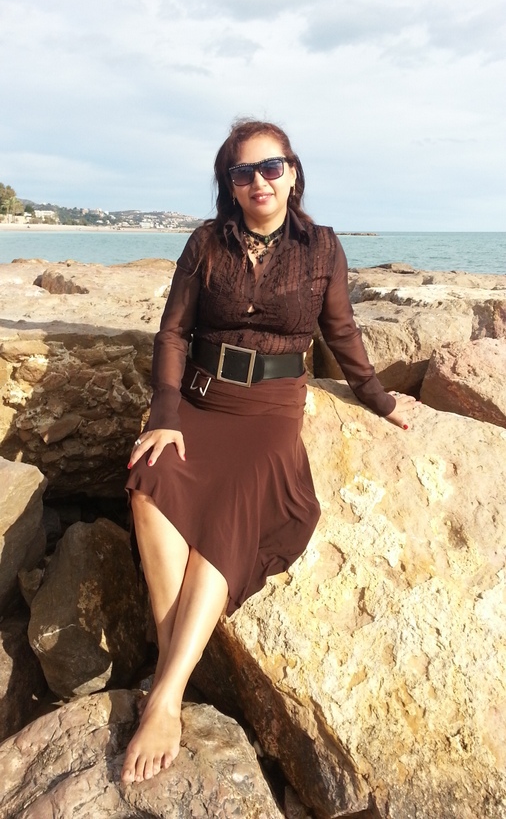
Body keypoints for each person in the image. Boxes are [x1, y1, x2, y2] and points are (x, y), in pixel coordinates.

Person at [121, 119, 417, 784]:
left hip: (269, 412)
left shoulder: (323, 248)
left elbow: (341, 332)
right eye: (243, 172)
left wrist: (378, 397)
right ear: (230, 184)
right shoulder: (205, 244)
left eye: (271, 167)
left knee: (235, 510)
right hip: (201, 401)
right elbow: (172, 334)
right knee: (149, 479)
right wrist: (164, 414)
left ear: (293, 174)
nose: (259, 181)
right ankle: (175, 672)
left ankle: (164, 694)